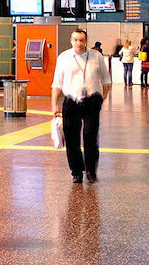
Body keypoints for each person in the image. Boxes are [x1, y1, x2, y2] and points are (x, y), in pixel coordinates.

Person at [51, 28, 111, 184]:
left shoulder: (96, 56)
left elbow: (106, 79)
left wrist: (102, 97)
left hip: (91, 101)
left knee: (90, 137)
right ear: (71, 41)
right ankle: (76, 172)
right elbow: (57, 83)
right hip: (71, 101)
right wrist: (54, 103)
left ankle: (91, 171)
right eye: (75, 40)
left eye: (81, 40)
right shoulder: (63, 57)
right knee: (71, 138)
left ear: (86, 41)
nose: (78, 43)